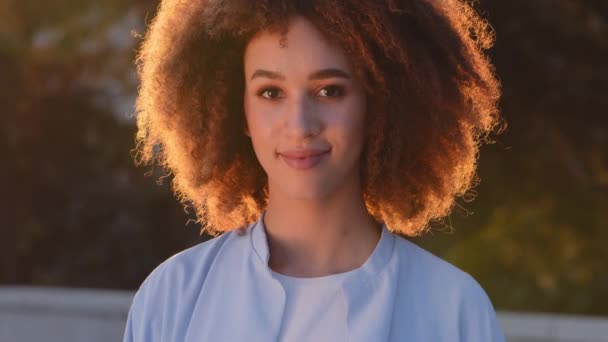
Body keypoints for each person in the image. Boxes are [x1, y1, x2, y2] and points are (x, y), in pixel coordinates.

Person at [124, 0, 507, 341]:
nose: (300, 125)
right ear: (236, 109)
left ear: (379, 104)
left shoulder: (453, 307)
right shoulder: (175, 294)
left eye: (330, 91)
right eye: (271, 93)